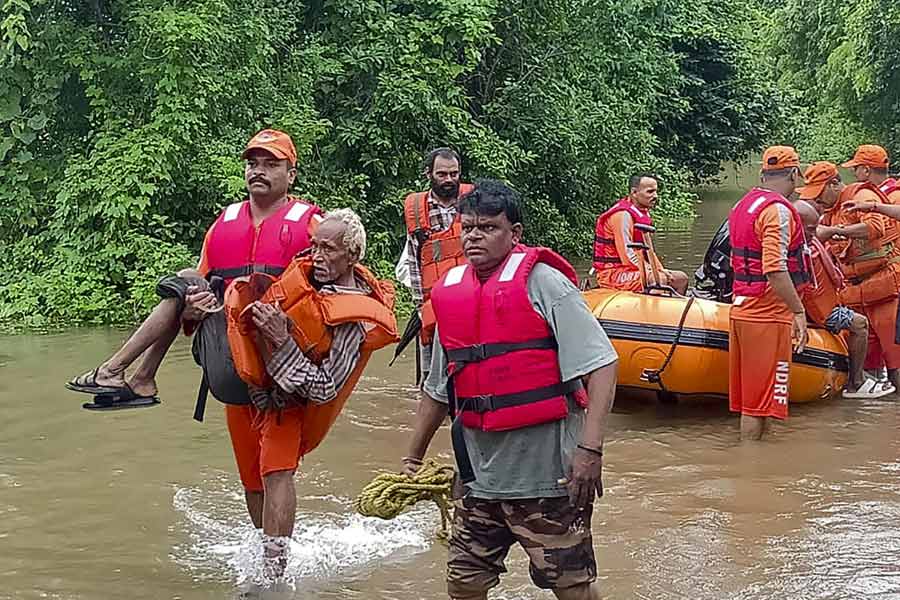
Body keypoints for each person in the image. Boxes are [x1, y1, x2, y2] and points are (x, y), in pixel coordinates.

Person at [402, 179, 618, 600]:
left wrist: (590, 451)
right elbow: (437, 389)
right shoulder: (449, 293)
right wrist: (412, 457)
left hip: (549, 479)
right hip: (477, 479)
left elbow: (603, 365)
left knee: (573, 588)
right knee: (463, 585)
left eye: (488, 227)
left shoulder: (546, 285)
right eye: (467, 227)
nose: (474, 236)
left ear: (514, 233)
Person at [66, 129, 322, 409]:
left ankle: (127, 374)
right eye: (252, 164)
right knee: (187, 280)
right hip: (230, 358)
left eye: (271, 165)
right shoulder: (224, 224)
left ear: (291, 176)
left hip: (283, 361)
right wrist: (191, 311)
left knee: (186, 278)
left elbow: (338, 291)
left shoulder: (314, 225)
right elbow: (195, 295)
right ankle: (132, 375)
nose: (259, 171)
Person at [228, 208, 398, 580]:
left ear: (352, 256)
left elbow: (326, 388)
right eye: (315, 246)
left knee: (276, 476)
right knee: (253, 482)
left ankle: (274, 576)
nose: (317, 257)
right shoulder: (303, 274)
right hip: (257, 394)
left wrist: (281, 340)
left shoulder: (353, 318)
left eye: (329, 250)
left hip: (292, 406)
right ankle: (266, 553)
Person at [728, 146, 810, 441]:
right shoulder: (777, 212)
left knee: (757, 404)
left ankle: (758, 468)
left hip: (743, 308)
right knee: (757, 405)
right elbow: (775, 269)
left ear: (763, 174)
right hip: (767, 315)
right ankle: (755, 475)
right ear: (793, 173)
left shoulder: (742, 206)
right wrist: (798, 311)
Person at [798, 160, 900, 390]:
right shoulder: (824, 212)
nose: (817, 199)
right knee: (867, 361)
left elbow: (876, 228)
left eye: (819, 192)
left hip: (884, 288)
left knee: (895, 361)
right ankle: (866, 408)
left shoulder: (860, 196)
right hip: (855, 292)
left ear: (834, 185)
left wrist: (835, 231)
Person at [397, 147, 475, 379]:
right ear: (428, 174)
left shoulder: (474, 202)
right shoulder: (416, 211)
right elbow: (413, 261)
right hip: (434, 306)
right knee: (432, 379)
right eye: (442, 174)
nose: (449, 179)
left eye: (454, 173)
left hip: (472, 302)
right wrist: (421, 307)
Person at [593, 173, 688, 294]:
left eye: (656, 192)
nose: (655, 196)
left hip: (631, 270)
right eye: (650, 192)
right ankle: (652, 310)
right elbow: (627, 256)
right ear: (634, 192)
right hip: (612, 273)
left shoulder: (642, 213)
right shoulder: (622, 216)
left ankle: (676, 309)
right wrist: (652, 271)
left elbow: (649, 251)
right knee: (658, 279)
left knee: (681, 278)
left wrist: (660, 269)